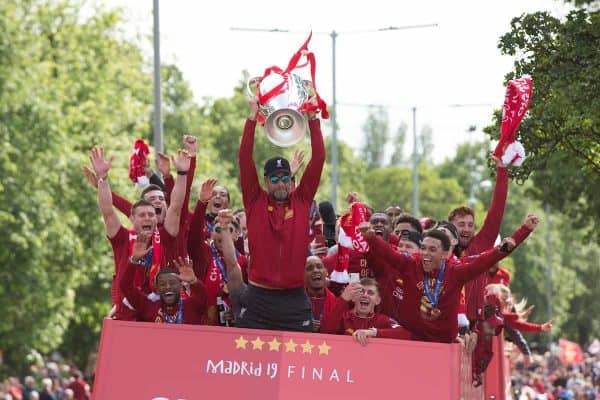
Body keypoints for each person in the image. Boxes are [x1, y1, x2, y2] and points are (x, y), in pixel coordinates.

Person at [357, 213, 537, 343]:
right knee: (371, 334)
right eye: (423, 248)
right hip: (411, 335)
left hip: (444, 343)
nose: (425, 254)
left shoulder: (456, 272)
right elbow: (388, 253)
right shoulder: (411, 263)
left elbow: (486, 259)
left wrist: (521, 233)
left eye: (432, 250)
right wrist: (371, 236)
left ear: (444, 254)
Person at [236, 97, 325, 331]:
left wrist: (313, 119)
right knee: (251, 365)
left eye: (285, 178)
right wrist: (251, 118)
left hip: (293, 299)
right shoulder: (254, 200)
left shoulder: (302, 199)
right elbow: (245, 158)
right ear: (266, 181)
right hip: (258, 298)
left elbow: (319, 159)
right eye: (274, 179)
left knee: (298, 363)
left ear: (291, 180)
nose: (280, 183)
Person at [90, 146, 190, 320]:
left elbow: (176, 206)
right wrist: (102, 179)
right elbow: (107, 210)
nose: (148, 218)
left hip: (161, 311)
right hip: (128, 310)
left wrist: (181, 174)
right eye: (142, 215)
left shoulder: (167, 235)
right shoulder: (122, 238)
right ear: (132, 219)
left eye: (151, 215)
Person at [448, 156, 509, 324]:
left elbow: (497, 211)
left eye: (470, 225)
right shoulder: (438, 249)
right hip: (447, 325)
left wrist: (502, 171)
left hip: (475, 326)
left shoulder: (480, 244)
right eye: (461, 224)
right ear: (450, 226)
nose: (466, 229)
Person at [120, 231, 207, 324]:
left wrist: (193, 281)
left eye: (173, 283)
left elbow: (203, 296)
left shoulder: (192, 306)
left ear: (180, 286)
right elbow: (126, 286)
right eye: (162, 284)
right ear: (157, 288)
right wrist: (134, 259)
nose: (168, 287)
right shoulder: (148, 307)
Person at [320, 278, 399, 337]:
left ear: (377, 301)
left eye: (370, 293)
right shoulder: (343, 318)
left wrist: (374, 332)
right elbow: (324, 332)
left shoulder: (383, 320)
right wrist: (343, 299)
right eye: (361, 292)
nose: (365, 295)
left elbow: (408, 334)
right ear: (353, 298)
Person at [304, 256, 337, 332]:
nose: (315, 270)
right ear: (303, 275)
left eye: (319, 267)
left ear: (326, 272)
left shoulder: (335, 302)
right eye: (309, 268)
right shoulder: (296, 300)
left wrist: (324, 326)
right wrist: (305, 325)